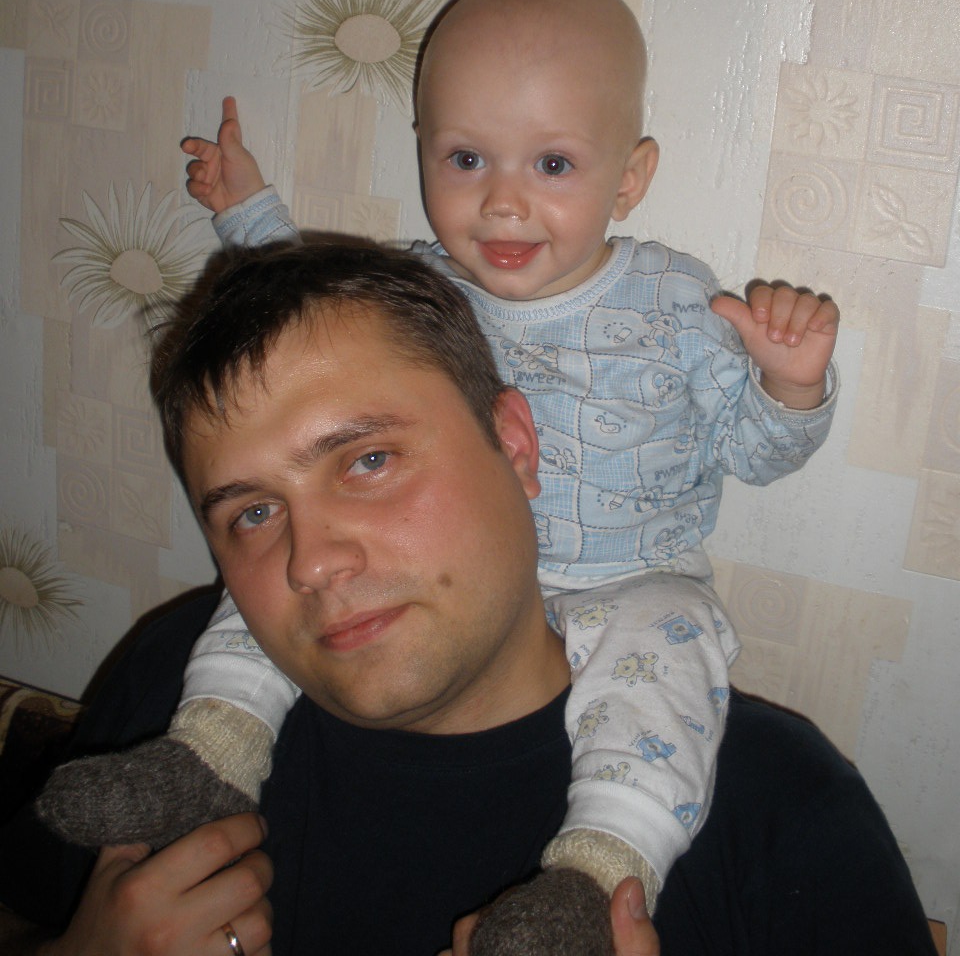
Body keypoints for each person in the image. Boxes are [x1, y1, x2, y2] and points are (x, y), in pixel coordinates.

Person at [40, 0, 840, 935]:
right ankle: (207, 753)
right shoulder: (423, 289)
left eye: (552, 165)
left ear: (630, 178)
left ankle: (595, 875)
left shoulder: (677, 305)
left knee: (667, 668)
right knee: (265, 600)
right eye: (465, 159)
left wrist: (791, 387)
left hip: (631, 576)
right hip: (433, 596)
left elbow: (752, 451)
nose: (502, 204)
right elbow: (306, 315)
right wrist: (245, 212)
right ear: (421, 151)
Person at [3, 242, 935, 955]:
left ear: (516, 447)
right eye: (252, 512)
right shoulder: (167, 691)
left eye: (369, 460)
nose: (311, 563)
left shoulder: (782, 811)